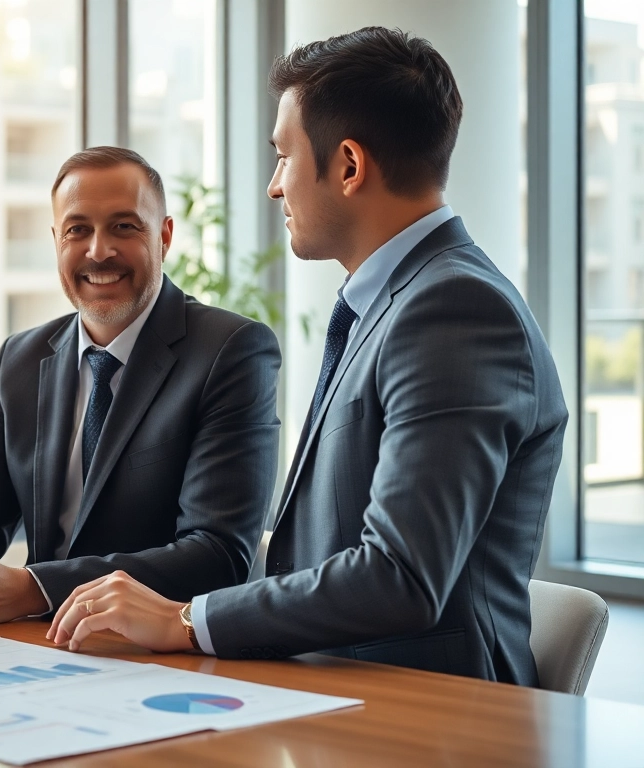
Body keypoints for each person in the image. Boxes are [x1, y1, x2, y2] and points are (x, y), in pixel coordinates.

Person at [47, 28, 568, 686]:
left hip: (430, 719)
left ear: (348, 165)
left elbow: (399, 576)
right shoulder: (395, 302)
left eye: (284, 157)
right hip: (332, 692)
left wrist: (182, 620)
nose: (274, 186)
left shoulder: (454, 311)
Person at [0, 147, 282, 624]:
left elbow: (217, 554)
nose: (98, 250)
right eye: (77, 229)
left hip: (165, 652)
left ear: (164, 236)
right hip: (44, 648)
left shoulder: (231, 350)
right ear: (57, 241)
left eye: (124, 227)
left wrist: (35, 588)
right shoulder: (20, 359)